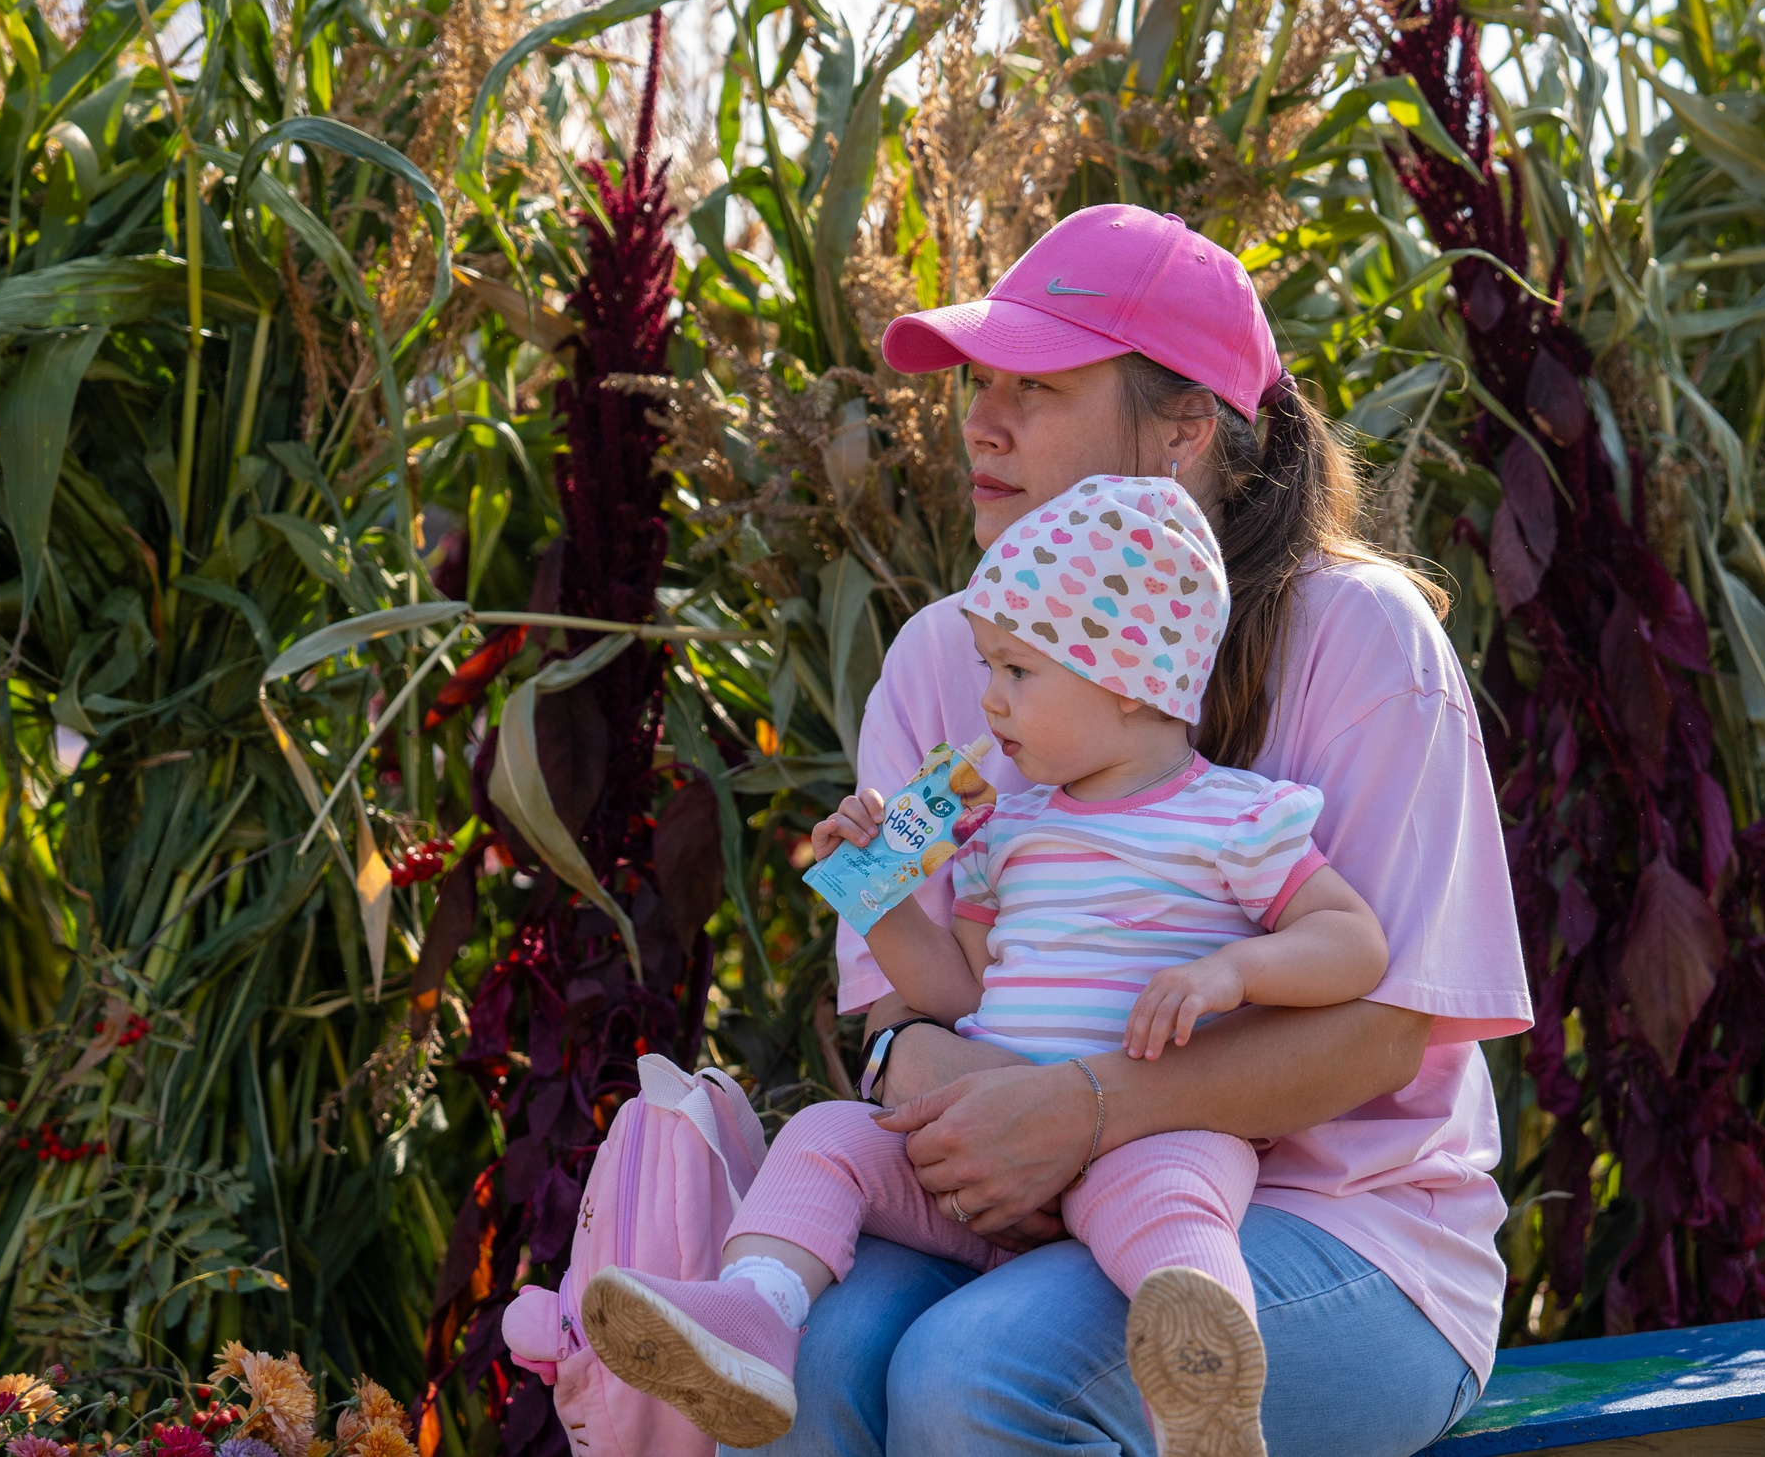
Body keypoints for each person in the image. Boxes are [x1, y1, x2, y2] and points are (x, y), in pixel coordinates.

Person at [736, 204, 1532, 1457]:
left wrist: (1088, 1112)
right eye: (976, 387)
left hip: (1348, 1234)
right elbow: (902, 1019)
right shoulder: (946, 656)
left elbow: (1384, 1031)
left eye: (1038, 389)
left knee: (975, 1372)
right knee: (802, 1355)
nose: (981, 424)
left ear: (1182, 429)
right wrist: (922, 1074)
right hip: (1004, 1202)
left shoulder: (1365, 640)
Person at [582, 477, 1393, 1456]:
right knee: (830, 1134)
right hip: (983, 1152)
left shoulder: (1237, 819)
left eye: (1016, 672)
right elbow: (955, 997)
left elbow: (1354, 945)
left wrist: (1234, 973)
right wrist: (872, 899)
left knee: (1173, 1200)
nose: (988, 701)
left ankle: (1203, 1381)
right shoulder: (1006, 834)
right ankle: (751, 1319)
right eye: (986, 668)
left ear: (1130, 676)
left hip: (1145, 1132)